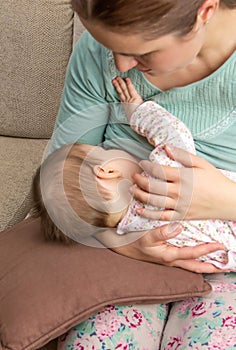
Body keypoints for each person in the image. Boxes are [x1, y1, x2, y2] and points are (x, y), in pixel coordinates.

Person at [48, 0, 236, 348]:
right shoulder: (95, 56)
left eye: (143, 51)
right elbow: (60, 183)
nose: (120, 65)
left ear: (205, 12)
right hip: (119, 244)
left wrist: (227, 201)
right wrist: (126, 242)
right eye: (110, 47)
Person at [33, 79, 236, 270]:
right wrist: (138, 113)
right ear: (107, 172)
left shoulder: (131, 232)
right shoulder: (162, 178)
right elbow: (174, 135)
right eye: (104, 151)